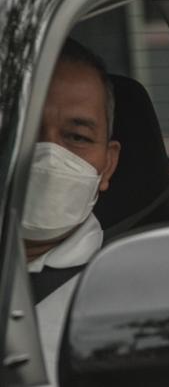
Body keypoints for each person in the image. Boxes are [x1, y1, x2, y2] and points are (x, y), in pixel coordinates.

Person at [24, 38, 120, 381]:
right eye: (26, 130)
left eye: (77, 137)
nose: (48, 155)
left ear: (107, 165)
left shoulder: (127, 294)